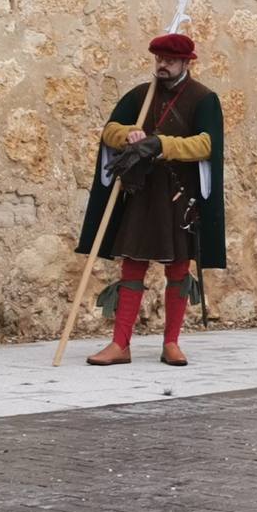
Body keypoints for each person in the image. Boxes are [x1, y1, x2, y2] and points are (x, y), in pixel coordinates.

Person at [78, 33, 225, 368]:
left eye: (170, 60)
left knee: (177, 268)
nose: (162, 65)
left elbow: (206, 144)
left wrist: (162, 145)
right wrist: (128, 135)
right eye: (159, 59)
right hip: (141, 193)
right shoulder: (141, 95)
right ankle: (120, 344)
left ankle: (171, 343)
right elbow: (109, 130)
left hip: (178, 196)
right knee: (132, 265)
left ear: (187, 62)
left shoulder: (204, 99)